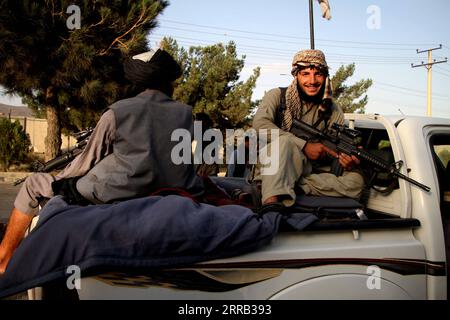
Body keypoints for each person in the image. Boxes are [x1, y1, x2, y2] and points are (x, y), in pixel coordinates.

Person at [0, 48, 203, 274]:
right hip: (168, 191)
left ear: (135, 82)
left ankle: (4, 260)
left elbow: (86, 161)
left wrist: (61, 181)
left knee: (33, 183)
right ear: (169, 83)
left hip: (116, 194)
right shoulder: (186, 114)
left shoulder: (117, 112)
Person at [252, 49, 364, 208]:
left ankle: (291, 186)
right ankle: (271, 207)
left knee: (356, 183)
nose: (312, 81)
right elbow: (260, 125)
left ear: (325, 76)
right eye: (305, 74)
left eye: (318, 74)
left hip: (309, 172)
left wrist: (347, 161)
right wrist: (304, 146)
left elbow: (332, 150)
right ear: (296, 75)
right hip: (275, 163)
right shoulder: (277, 96)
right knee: (285, 143)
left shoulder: (332, 110)